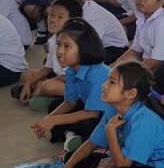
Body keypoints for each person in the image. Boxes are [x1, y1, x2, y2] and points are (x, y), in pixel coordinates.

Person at [34, 61, 164, 168]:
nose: (104, 85)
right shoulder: (112, 110)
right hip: (126, 161)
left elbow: (123, 165)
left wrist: (110, 131)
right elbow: (91, 144)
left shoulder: (144, 122)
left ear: (130, 93)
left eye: (112, 82)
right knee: (71, 158)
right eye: (107, 80)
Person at [31, 19, 115, 151]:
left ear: (84, 49)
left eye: (67, 46)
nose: (59, 51)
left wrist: (53, 121)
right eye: (58, 44)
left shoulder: (97, 73)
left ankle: (74, 136)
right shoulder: (71, 71)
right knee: (55, 106)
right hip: (91, 109)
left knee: (89, 125)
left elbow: (92, 114)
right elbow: (69, 103)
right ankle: (70, 135)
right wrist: (47, 120)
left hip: (110, 116)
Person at [11, 0, 78, 109]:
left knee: (49, 86)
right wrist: (28, 83)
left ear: (72, 20)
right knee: (28, 75)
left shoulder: (74, 44)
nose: (52, 20)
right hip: (60, 78)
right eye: (51, 14)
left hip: (76, 83)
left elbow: (71, 76)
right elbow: (48, 68)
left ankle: (54, 98)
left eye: (60, 17)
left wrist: (45, 83)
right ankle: (43, 92)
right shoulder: (53, 40)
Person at [52, 0, 128, 63]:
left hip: (115, 50)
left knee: (75, 57)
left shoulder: (91, 16)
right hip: (102, 46)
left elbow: (88, 44)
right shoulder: (85, 6)